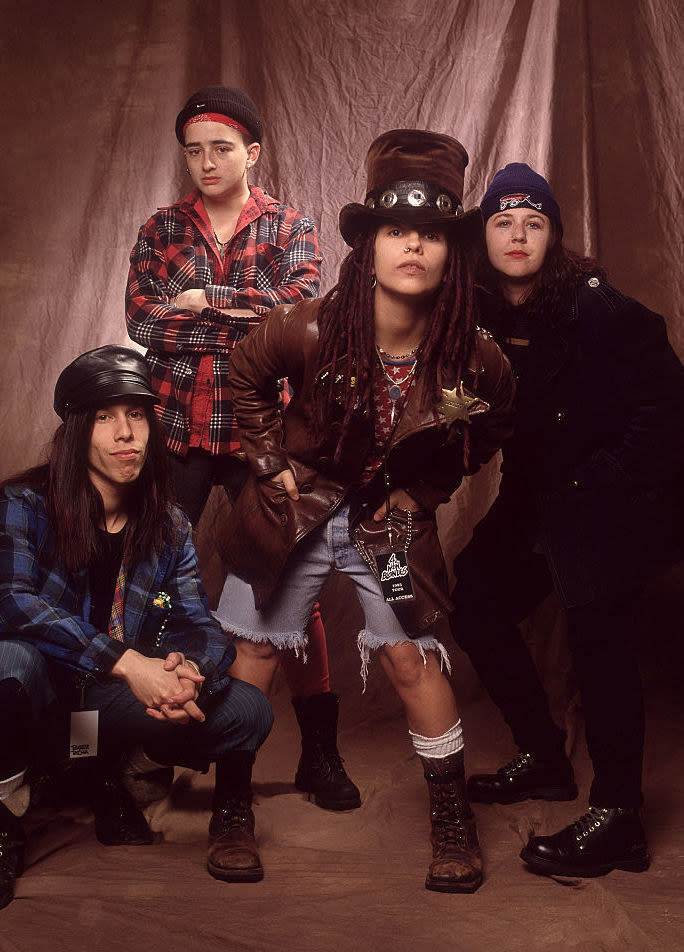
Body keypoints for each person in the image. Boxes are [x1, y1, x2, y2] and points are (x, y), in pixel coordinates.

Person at [213, 129, 516, 893]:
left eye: (432, 234)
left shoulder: (473, 356)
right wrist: (268, 461)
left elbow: (494, 426)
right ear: (368, 246)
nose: (413, 246)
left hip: (387, 520)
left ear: (452, 252)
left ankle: (452, 821)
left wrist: (426, 494)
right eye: (396, 230)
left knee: (410, 656)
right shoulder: (309, 325)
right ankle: (230, 809)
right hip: (296, 506)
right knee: (254, 652)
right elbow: (244, 376)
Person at [125, 85, 359, 811]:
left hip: (262, 433)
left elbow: (302, 317)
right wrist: (241, 318)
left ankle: (320, 749)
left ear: (252, 153)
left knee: (285, 584)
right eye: (193, 150)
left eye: (220, 148)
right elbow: (143, 325)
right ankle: (145, 747)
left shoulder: (291, 226)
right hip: (178, 430)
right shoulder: (163, 227)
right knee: (152, 578)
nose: (205, 162)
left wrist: (200, 304)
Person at [449, 162, 684, 878]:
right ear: (482, 235)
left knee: (600, 646)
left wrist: (605, 483)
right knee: (478, 604)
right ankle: (546, 759)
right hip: (537, 495)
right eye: (503, 222)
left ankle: (621, 817)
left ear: (553, 235)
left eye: (534, 222)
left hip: (611, 501)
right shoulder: (479, 308)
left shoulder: (598, 306)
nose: (518, 235)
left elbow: (668, 411)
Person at [0, 345, 275, 910]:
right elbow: (12, 603)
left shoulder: (168, 523)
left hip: (106, 705)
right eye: (105, 417)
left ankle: (105, 777)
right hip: (45, 693)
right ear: (78, 429)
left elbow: (197, 620)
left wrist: (187, 671)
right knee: (10, 662)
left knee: (250, 709)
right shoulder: (22, 503)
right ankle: (5, 816)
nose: (127, 433)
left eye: (138, 414)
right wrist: (128, 663)